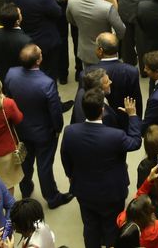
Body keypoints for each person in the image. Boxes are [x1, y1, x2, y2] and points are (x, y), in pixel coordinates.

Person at [63, 88, 141, 247]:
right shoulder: (115, 135)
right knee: (112, 227)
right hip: (111, 192)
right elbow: (135, 142)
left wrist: (71, 176)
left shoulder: (70, 132)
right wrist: (132, 115)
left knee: (90, 227)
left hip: (84, 190)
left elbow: (65, 157)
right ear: (102, 110)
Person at [6, 44, 72, 208]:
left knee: (25, 162)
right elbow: (55, 112)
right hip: (43, 133)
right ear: (38, 61)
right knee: (44, 166)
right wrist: (57, 129)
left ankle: (26, 189)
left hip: (21, 129)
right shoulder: (47, 83)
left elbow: (8, 99)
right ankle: (52, 198)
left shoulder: (11, 74)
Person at [116, 165, 158, 248]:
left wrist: (149, 179)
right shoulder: (154, 231)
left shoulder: (122, 219)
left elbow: (138, 198)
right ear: (147, 214)